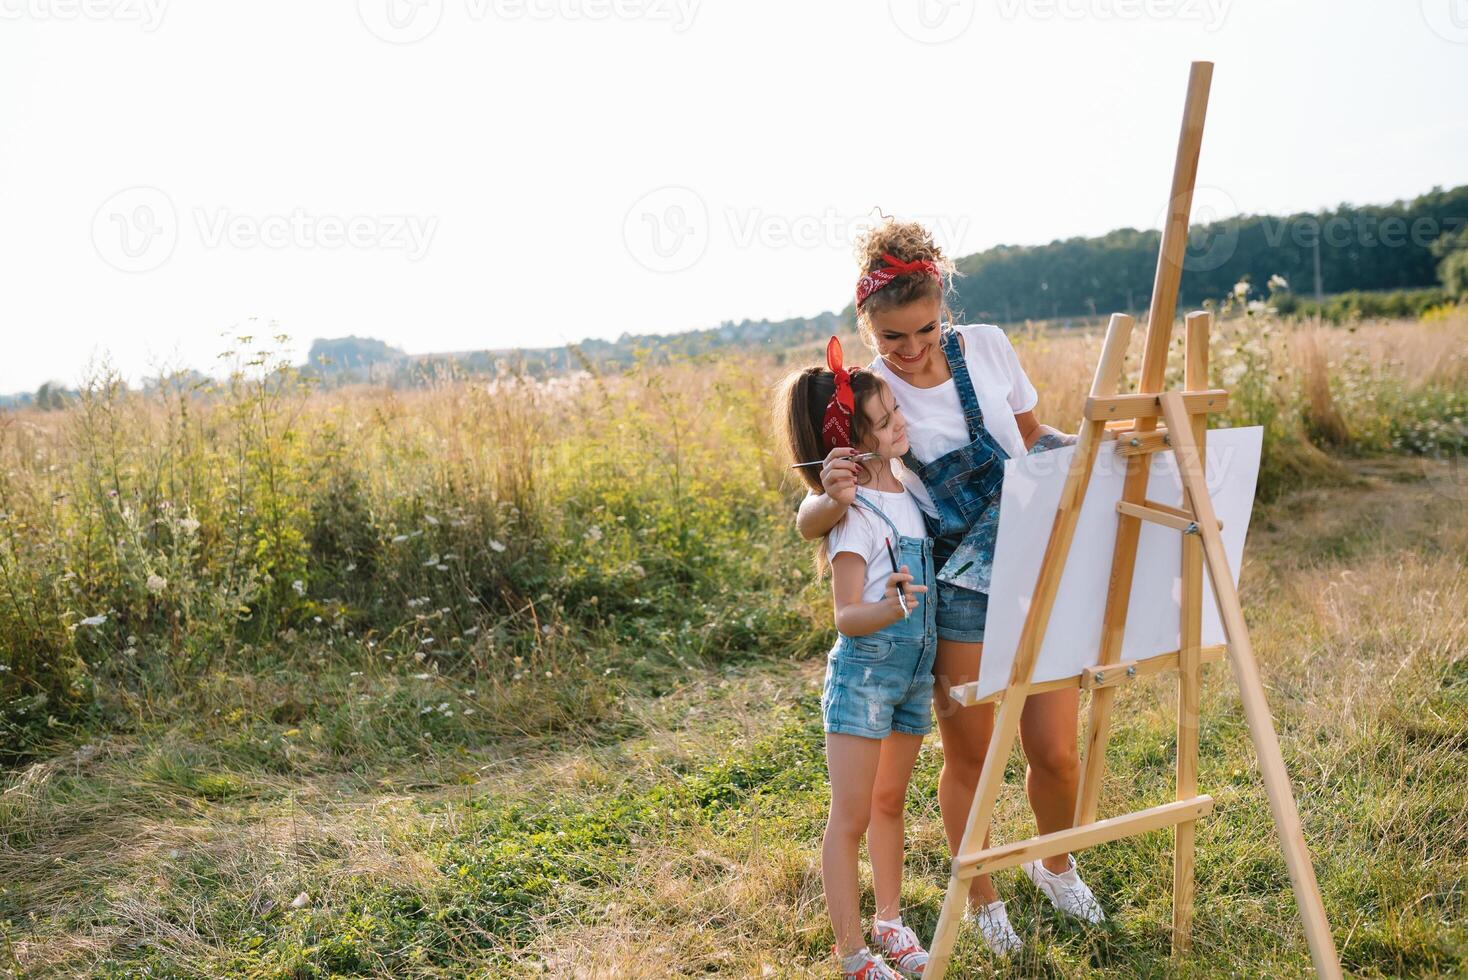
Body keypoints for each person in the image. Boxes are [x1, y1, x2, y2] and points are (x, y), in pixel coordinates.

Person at [797, 220, 1104, 955]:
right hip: (958, 587)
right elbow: (818, 505)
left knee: (1057, 752)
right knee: (972, 757)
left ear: (946, 307)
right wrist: (828, 497)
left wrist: (1099, 447)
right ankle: (983, 896)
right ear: (867, 324)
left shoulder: (989, 346)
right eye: (892, 336)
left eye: (925, 329)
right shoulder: (868, 394)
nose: (911, 349)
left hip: (1034, 566)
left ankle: (1053, 863)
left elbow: (1033, 439)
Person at [774, 337, 935, 979]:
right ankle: (852, 956)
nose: (903, 423)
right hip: (865, 680)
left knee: (891, 803)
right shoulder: (854, 517)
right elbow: (846, 616)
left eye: (898, 409)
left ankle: (891, 922)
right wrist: (893, 607)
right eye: (888, 419)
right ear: (853, 444)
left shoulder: (913, 492)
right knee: (851, 816)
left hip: (913, 678)